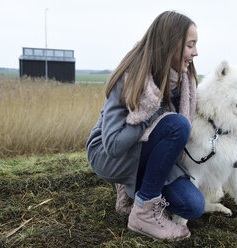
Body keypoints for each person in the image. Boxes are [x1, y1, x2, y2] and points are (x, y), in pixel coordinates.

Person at [86, 11, 205, 241]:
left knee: (193, 206)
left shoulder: (182, 80)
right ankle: (144, 213)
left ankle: (137, 187)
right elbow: (113, 145)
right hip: (109, 156)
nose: (196, 52)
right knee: (177, 125)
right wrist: (153, 115)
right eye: (190, 45)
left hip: (146, 150)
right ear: (171, 44)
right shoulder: (131, 76)